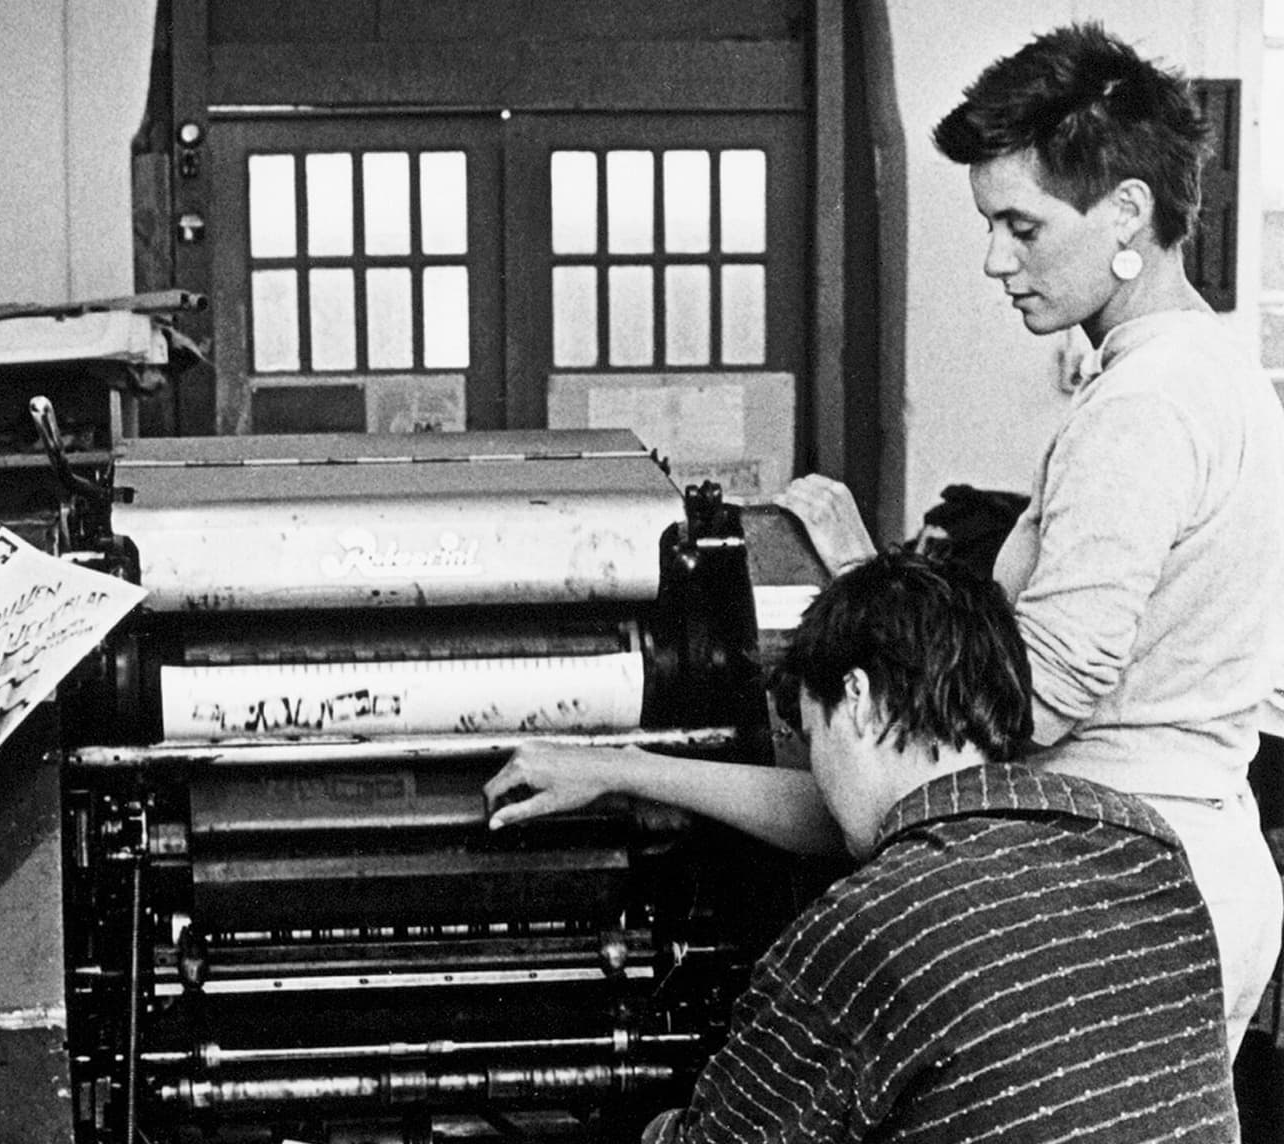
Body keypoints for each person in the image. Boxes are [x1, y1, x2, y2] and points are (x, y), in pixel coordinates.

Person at [494, 22, 1284, 1047]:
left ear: (1128, 208)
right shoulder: (1224, 375)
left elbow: (1005, 718)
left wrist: (867, 597)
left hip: (1105, 907)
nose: (997, 260)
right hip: (1193, 878)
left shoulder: (1140, 407)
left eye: (1024, 226)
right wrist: (631, 766)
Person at [413, 552, 1284, 1144]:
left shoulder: (879, 919)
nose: (814, 773)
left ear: (858, 699)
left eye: (807, 731)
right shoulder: (1139, 845)